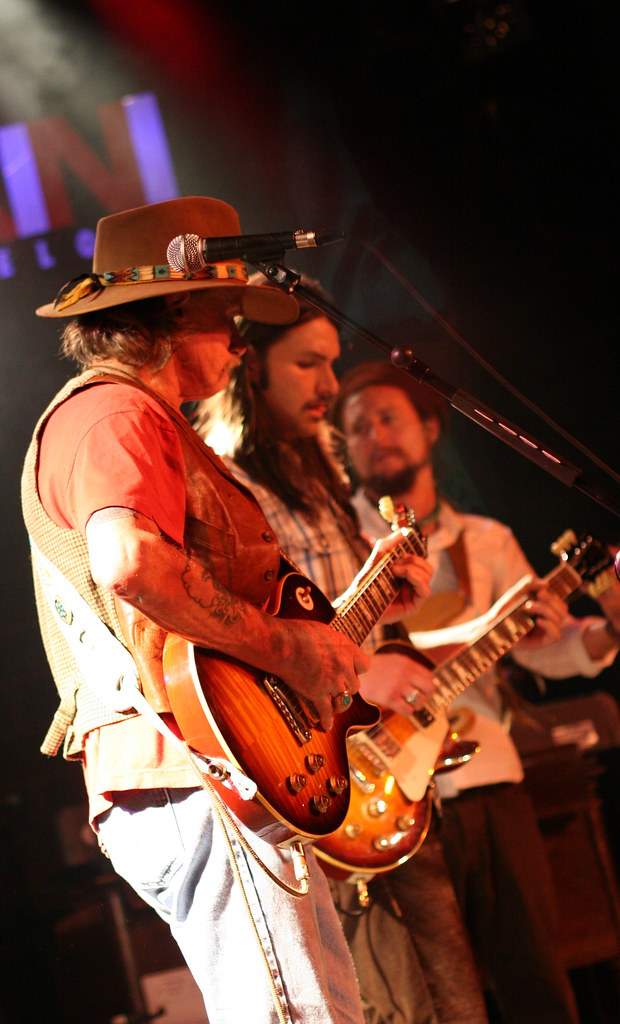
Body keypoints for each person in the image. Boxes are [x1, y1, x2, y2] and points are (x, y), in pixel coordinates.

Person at [20, 198, 432, 1024]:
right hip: (188, 768)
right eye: (228, 318)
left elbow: (216, 630)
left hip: (220, 767)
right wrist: (287, 648)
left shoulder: (151, 422)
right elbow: (132, 565)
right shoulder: (114, 411)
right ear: (174, 311)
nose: (243, 343)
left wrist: (356, 605)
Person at [197, 276, 491, 1024]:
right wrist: (364, 664)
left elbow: (338, 611)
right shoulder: (225, 482)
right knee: (376, 1002)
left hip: (380, 768)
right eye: (307, 365)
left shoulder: (323, 471)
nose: (330, 385)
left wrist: (389, 596)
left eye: (332, 363)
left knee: (458, 992)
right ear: (250, 363)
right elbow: (244, 651)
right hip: (309, 775)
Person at [332, 359, 620, 1024]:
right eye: (358, 428)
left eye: (389, 418)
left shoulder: (486, 540)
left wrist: (592, 634)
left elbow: (541, 646)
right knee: (437, 1001)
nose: (376, 435)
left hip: (490, 773)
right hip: (384, 790)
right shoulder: (339, 543)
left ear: (431, 428)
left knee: (536, 983)